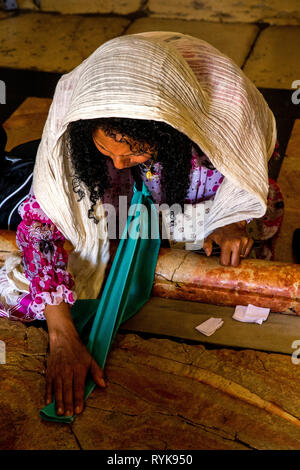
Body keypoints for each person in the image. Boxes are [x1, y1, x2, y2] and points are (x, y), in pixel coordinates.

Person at [0, 31, 283, 417]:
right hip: (127, 194)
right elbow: (41, 227)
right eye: (106, 149)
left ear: (166, 136)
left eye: (133, 152)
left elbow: (248, 173)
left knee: (252, 224)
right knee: (41, 275)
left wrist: (231, 218)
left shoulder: (227, 109)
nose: (118, 163)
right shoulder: (77, 118)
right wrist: (61, 334)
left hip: (186, 178)